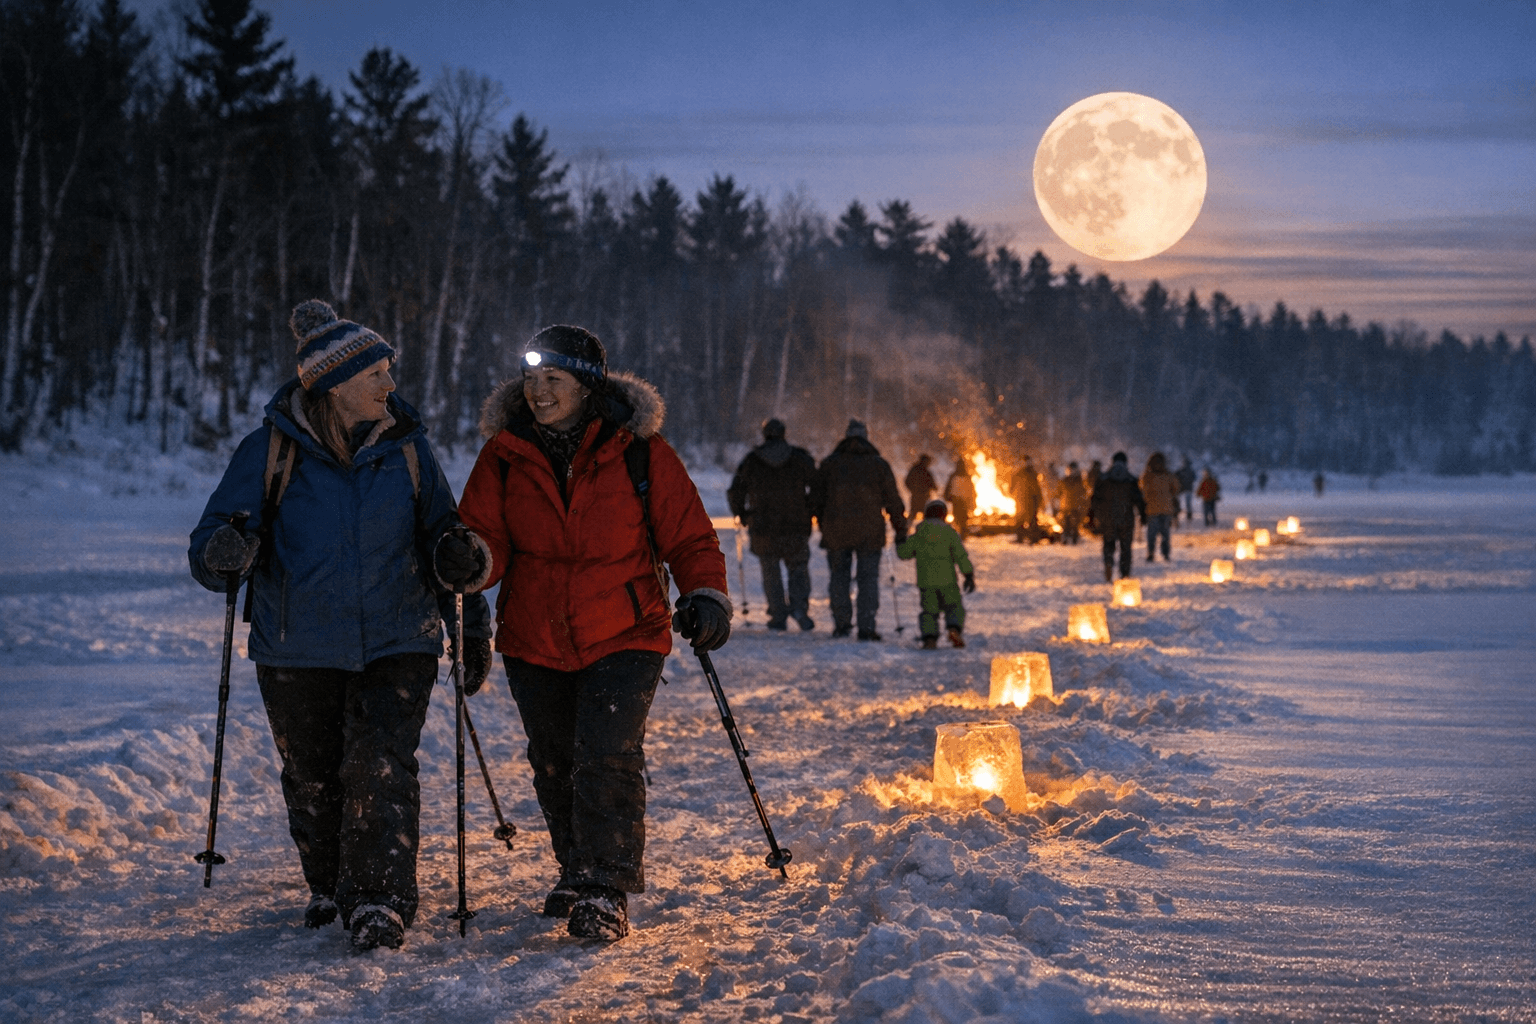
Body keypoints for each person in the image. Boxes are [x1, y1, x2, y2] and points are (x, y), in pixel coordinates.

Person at [188, 299, 492, 952]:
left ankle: (380, 898)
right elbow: (213, 539)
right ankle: (330, 885)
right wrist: (222, 551)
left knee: (380, 765)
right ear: (335, 385)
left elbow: (448, 539)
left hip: (399, 636)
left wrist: (472, 624)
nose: (390, 384)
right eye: (375, 373)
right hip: (296, 645)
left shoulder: (409, 449)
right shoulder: (269, 451)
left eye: (388, 371)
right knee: (314, 775)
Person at [456, 325, 729, 941]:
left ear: (586, 386)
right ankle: (577, 869)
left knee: (606, 754)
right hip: (535, 632)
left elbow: (689, 535)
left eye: (553, 378)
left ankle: (606, 886)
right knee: (554, 761)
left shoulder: (639, 451)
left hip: (626, 630)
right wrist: (471, 558)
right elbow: (485, 539)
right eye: (531, 378)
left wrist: (705, 595)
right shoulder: (503, 454)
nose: (538, 390)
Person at [810, 419, 907, 640]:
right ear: (866, 436)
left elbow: (815, 499)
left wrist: (823, 524)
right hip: (870, 533)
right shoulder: (878, 465)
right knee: (868, 580)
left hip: (836, 531)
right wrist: (900, 531)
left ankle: (842, 624)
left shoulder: (830, 464)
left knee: (839, 577)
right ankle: (867, 626)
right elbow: (893, 501)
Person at [727, 418, 817, 631]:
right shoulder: (800, 458)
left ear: (765, 434)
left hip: (763, 526)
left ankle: (777, 614)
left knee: (770, 571)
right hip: (795, 524)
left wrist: (742, 514)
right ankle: (800, 609)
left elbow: (736, 491)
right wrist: (810, 510)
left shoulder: (752, 460)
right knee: (798, 568)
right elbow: (818, 486)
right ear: (784, 433)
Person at [896, 499, 975, 649]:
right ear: (943, 515)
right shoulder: (950, 533)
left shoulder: (919, 535)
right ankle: (953, 629)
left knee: (929, 612)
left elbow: (904, 553)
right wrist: (968, 575)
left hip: (926, 583)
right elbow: (960, 556)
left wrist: (900, 541)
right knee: (954, 607)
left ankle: (930, 639)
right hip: (948, 582)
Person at [1089, 451, 1146, 582]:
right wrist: (1143, 516)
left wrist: (1093, 517)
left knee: (1109, 544)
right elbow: (1139, 500)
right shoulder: (1131, 480)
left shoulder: (1103, 479)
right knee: (1126, 548)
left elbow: (1095, 500)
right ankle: (1124, 574)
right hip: (1126, 519)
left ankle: (1108, 562)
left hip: (1108, 519)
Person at [1140, 452, 1181, 562]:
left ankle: (1151, 553)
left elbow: (1142, 489)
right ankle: (1166, 554)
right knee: (1165, 533)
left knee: (1151, 534)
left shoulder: (1147, 476)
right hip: (1166, 508)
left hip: (1152, 509)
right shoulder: (1168, 475)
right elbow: (1176, 488)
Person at [1010, 456, 1043, 544]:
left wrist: (1038, 500)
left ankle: (1034, 539)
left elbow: (1037, 488)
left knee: (1032, 521)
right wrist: (1012, 493)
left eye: (1028, 461)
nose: (1026, 463)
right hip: (1020, 500)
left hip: (1031, 501)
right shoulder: (1018, 473)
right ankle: (1019, 538)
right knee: (1019, 520)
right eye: (1025, 461)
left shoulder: (1033, 473)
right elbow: (1012, 485)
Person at [943, 458, 977, 538]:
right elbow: (971, 490)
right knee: (961, 518)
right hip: (959, 500)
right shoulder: (961, 476)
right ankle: (961, 533)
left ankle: (961, 534)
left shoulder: (959, 476)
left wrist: (972, 500)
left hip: (960, 500)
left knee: (960, 518)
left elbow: (971, 490)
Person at [1058, 462, 1087, 545]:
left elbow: (1083, 494)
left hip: (1075, 507)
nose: (1071, 471)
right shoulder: (1064, 480)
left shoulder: (1079, 481)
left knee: (1075, 525)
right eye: (1070, 469)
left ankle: (1075, 539)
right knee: (1066, 525)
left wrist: (1083, 506)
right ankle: (1065, 539)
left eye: (1073, 469)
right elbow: (1059, 492)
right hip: (1066, 506)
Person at [904, 453, 937, 518]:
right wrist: (913, 490)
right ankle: (924, 525)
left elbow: (931, 483)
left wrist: (913, 490)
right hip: (919, 496)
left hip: (922, 496)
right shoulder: (920, 471)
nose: (928, 463)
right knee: (923, 514)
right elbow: (908, 482)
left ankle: (908, 524)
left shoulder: (920, 470)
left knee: (916, 513)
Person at [1175, 456, 1196, 522]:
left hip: (1182, 489)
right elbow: (1194, 478)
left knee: (1179, 501)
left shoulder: (1181, 470)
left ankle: (1178, 512)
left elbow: (1175, 476)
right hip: (1188, 489)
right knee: (1188, 503)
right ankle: (1189, 514)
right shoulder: (1191, 471)